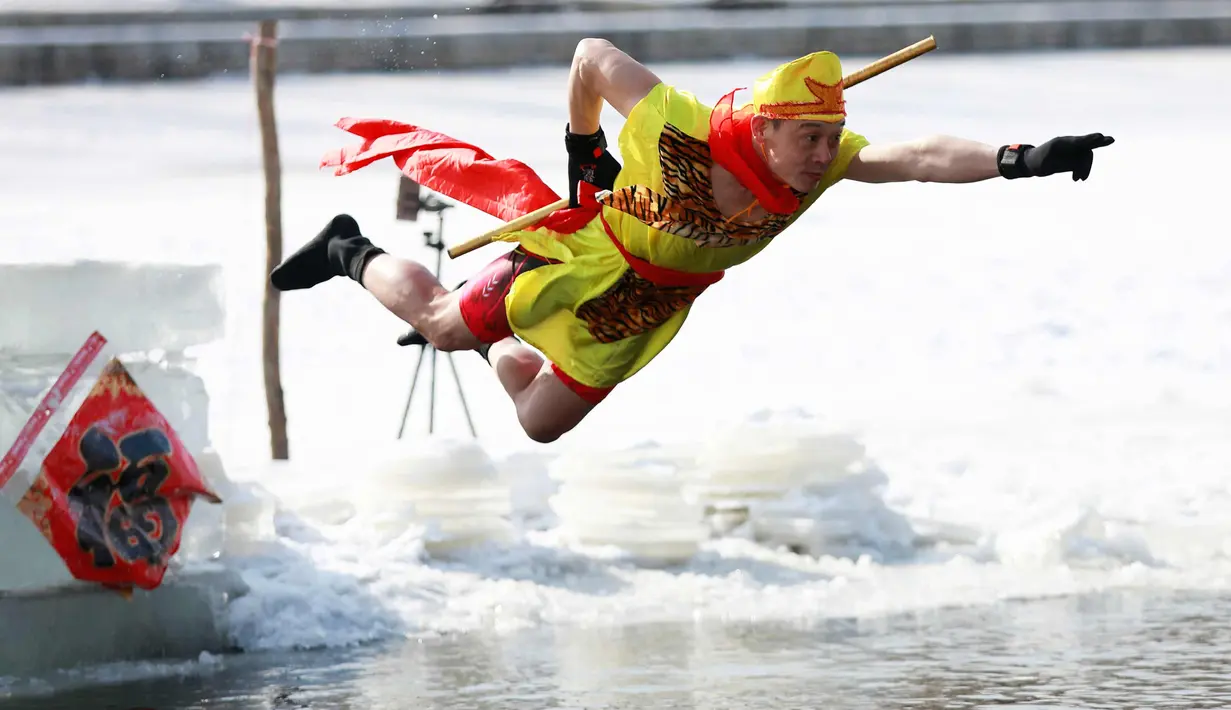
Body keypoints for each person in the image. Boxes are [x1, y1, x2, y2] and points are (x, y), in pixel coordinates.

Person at [270, 38, 1114, 444]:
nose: (824, 156)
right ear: (768, 129)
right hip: (584, 256)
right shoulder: (686, 126)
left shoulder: (821, 167)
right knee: (444, 324)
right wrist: (581, 146)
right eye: (809, 140)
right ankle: (349, 249)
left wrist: (1023, 159)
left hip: (652, 304)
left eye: (833, 138)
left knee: (539, 425)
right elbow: (591, 56)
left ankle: (500, 346)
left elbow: (919, 156)